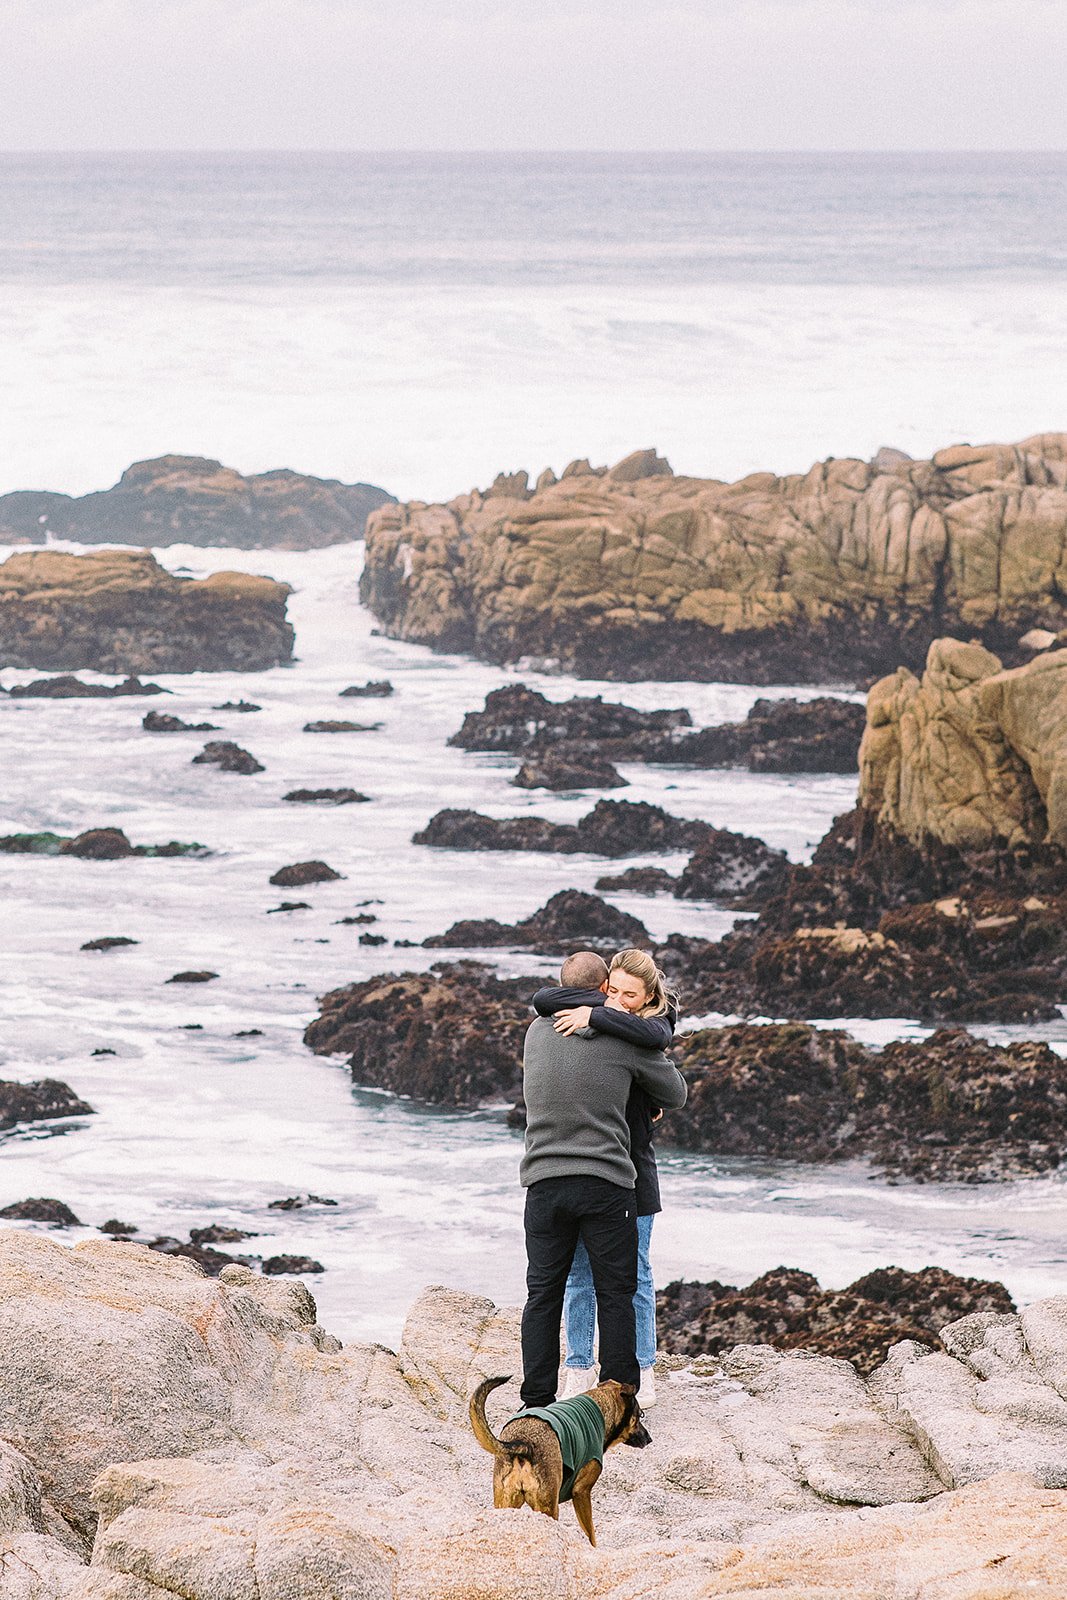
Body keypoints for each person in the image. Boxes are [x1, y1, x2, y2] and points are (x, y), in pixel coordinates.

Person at [519, 949, 687, 1411]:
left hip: (543, 1181)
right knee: (618, 1290)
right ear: (601, 991)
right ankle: (620, 1401)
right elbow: (675, 1093)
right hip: (606, 1181)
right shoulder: (624, 1040)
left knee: (543, 1293)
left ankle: (535, 1400)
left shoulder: (534, 1032)